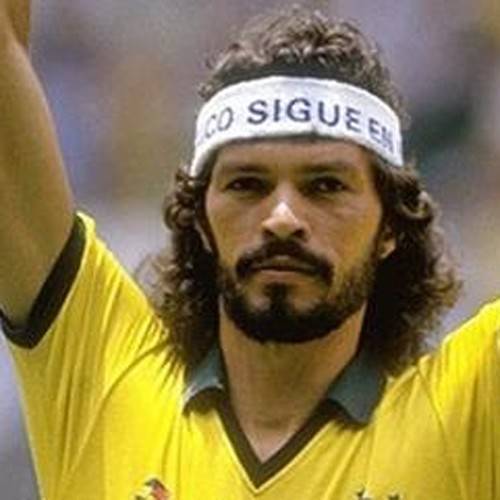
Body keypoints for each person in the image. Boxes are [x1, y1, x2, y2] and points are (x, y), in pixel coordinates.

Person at [0, 2, 497, 499]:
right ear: (200, 219)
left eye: (325, 185)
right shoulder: (103, 379)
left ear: (390, 226)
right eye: (246, 184)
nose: (282, 217)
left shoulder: (469, 410)